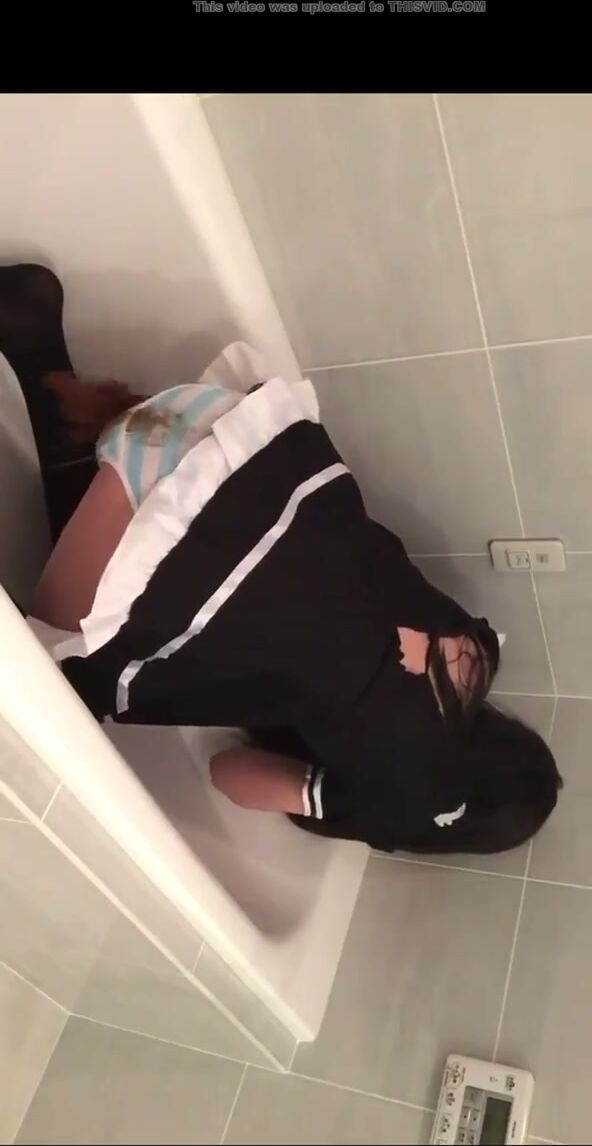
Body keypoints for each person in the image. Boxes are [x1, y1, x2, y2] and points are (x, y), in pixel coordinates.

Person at [1, 264, 562, 855]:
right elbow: (230, 774)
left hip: (244, 433)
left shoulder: (477, 649)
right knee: (66, 679)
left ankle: (37, 346)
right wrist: (332, 793)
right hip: (168, 522)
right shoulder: (404, 811)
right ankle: (39, 353)